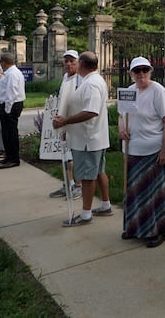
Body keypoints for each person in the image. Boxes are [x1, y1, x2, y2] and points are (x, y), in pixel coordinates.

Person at [118, 56, 165, 247]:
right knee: (136, 193)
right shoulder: (129, 92)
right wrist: (121, 127)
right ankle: (135, 226)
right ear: (131, 73)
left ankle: (159, 229)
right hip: (133, 150)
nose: (141, 74)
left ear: (150, 71)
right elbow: (122, 115)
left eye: (144, 70)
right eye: (137, 71)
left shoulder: (158, 91)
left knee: (156, 194)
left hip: (154, 150)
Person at [52, 51, 112, 226]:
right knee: (99, 171)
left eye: (76, 62)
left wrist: (66, 120)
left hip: (88, 138)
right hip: (94, 137)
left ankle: (86, 214)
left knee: (87, 177)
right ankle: (106, 204)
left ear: (82, 64)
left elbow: (91, 111)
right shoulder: (93, 80)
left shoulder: (91, 84)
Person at [48, 50, 83, 200]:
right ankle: (68, 183)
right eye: (66, 61)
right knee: (65, 154)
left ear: (78, 63)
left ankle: (79, 185)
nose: (68, 64)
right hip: (63, 119)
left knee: (76, 155)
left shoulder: (80, 79)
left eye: (72, 61)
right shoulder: (65, 77)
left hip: (74, 120)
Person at [0, 53, 25, 169]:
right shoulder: (10, 73)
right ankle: (8, 155)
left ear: (4, 62)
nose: (1, 65)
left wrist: (7, 109)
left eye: (1, 62)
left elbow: (12, 93)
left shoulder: (12, 74)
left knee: (11, 132)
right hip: (10, 104)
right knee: (6, 132)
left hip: (12, 105)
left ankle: (14, 159)